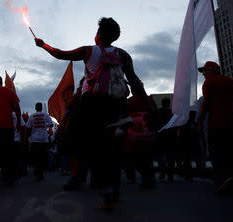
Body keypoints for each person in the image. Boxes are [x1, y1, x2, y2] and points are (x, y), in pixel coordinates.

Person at [35, 17, 153, 209]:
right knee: (113, 149)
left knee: (91, 148)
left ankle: (105, 194)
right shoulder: (123, 54)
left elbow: (60, 54)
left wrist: (43, 45)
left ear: (98, 34)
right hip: (117, 106)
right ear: (115, 37)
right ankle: (114, 190)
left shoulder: (89, 51)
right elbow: (134, 81)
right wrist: (148, 103)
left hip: (92, 106)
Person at [197, 61, 233, 195]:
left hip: (216, 124)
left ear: (213, 69)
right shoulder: (232, 82)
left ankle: (222, 179)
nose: (203, 74)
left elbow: (206, 104)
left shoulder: (209, 83)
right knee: (230, 152)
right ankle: (232, 177)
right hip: (232, 123)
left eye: (205, 70)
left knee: (216, 152)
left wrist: (200, 123)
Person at [25, 102, 54, 182]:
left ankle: (37, 171)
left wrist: (27, 137)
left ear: (35, 108)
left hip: (34, 139)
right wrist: (45, 126)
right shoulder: (45, 115)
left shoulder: (31, 116)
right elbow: (51, 124)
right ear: (41, 107)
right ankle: (40, 173)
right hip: (44, 139)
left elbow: (28, 127)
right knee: (42, 157)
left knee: (35, 156)